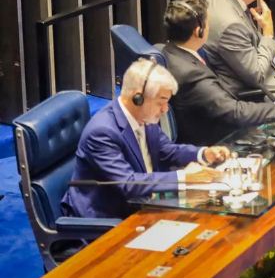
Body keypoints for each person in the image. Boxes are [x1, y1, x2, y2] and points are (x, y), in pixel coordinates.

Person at [61, 59, 230, 219]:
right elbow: (128, 184)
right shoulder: (102, 132)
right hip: (109, 220)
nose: (165, 109)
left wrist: (204, 154)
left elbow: (167, 151)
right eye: (160, 102)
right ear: (138, 98)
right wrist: (185, 177)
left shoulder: (144, 118)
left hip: (146, 204)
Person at [162, 0, 275, 146]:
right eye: (208, 22)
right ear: (199, 31)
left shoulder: (170, 51)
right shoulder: (190, 74)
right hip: (218, 143)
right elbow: (234, 113)